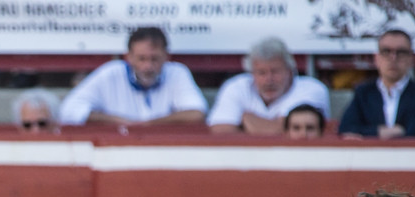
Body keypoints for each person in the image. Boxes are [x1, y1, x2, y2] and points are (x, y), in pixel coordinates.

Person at [58, 27, 207, 127]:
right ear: (128, 57)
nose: (148, 66)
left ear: (166, 57)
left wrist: (145, 126)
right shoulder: (111, 73)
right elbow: (68, 111)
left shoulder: (177, 72)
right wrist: (118, 121)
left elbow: (196, 114)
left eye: (154, 59)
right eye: (141, 59)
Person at [208, 37, 330, 135]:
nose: (269, 79)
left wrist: (247, 120)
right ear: (251, 73)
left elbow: (288, 130)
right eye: (262, 73)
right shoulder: (235, 87)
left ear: (290, 71)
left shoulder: (312, 89)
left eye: (275, 71)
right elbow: (220, 130)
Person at [338, 30, 415, 139]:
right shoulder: (363, 92)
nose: (393, 58)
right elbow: (346, 128)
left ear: (412, 59)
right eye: (386, 51)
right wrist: (379, 132)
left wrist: (367, 134)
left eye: (401, 52)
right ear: (376, 58)